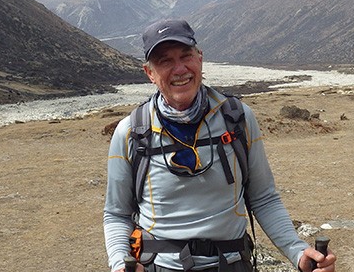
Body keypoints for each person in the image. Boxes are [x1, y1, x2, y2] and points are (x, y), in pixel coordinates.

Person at [103, 19, 336, 272]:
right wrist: (119, 264)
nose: (179, 69)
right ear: (150, 73)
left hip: (233, 265)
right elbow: (117, 214)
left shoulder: (237, 118)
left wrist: (297, 251)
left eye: (186, 56)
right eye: (165, 61)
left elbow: (263, 198)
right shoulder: (131, 132)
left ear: (200, 59)